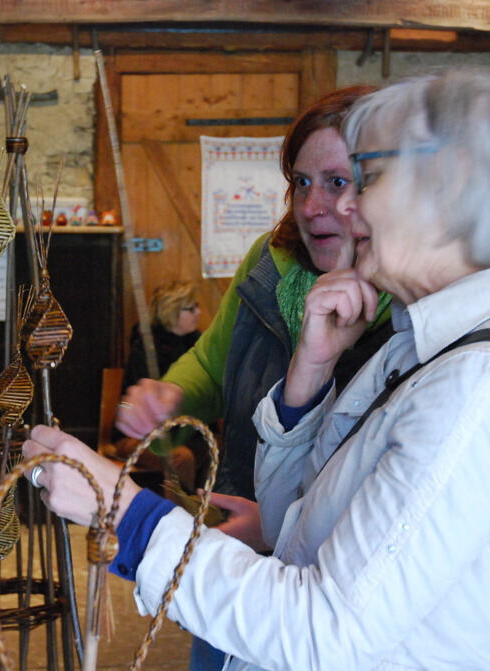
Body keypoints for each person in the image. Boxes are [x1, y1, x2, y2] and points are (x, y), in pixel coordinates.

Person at [23, 68, 490, 670]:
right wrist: (311, 368)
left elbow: (327, 634)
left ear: (449, 187)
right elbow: (290, 517)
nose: (344, 208)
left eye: (366, 179)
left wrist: (127, 517)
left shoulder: (484, 390)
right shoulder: (428, 348)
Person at [116, 86, 393, 507]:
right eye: (302, 182)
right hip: (241, 521)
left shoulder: (414, 300)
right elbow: (213, 366)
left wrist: (271, 531)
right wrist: (169, 398)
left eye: (337, 182)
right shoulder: (271, 261)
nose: (311, 205)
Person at [112, 280, 204, 491]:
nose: (198, 312)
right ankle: (183, 517)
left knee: (224, 449)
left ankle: (206, 511)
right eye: (191, 308)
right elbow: (140, 409)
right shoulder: (145, 347)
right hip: (139, 437)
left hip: (188, 432)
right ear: (171, 312)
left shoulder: (197, 343)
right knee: (181, 458)